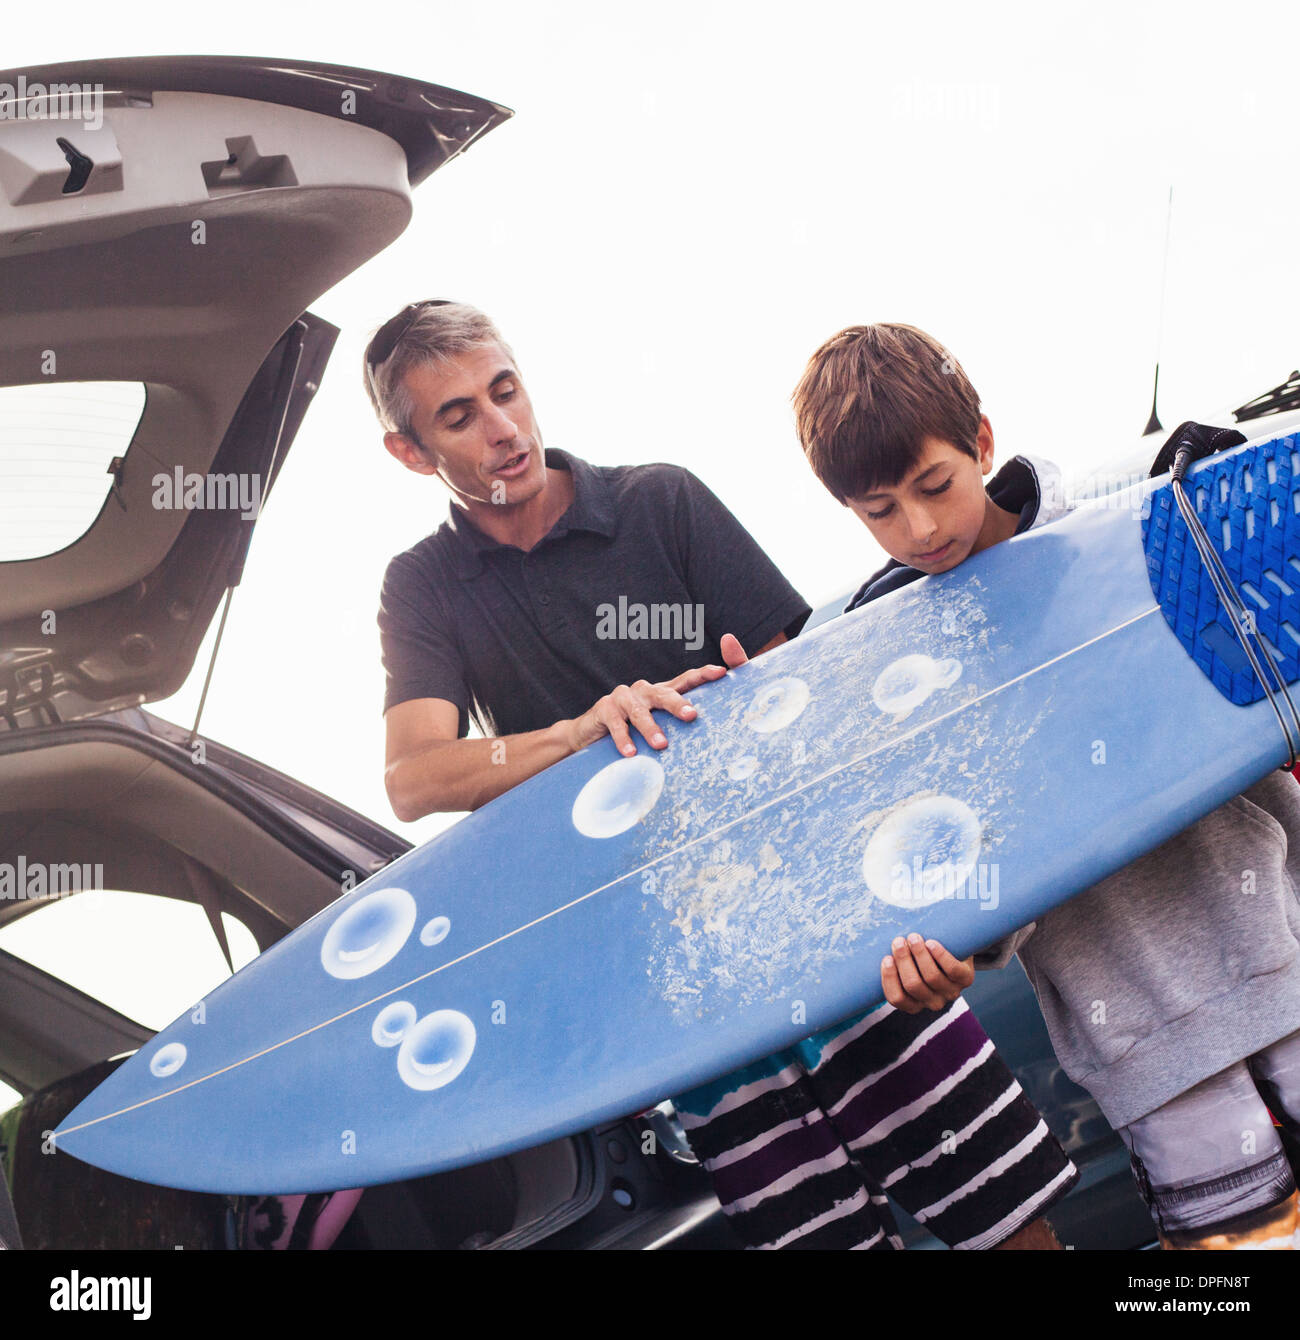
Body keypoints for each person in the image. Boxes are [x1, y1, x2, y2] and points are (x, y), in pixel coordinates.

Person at [366, 300, 1077, 1248]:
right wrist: (579, 734)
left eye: (505, 390)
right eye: (458, 416)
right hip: (692, 1005)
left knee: (1009, 1223)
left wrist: (762, 720)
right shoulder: (421, 587)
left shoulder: (662, 502)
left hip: (836, 935)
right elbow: (413, 776)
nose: (501, 428)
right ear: (410, 452)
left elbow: (817, 714)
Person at [794, 320, 1300, 1251]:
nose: (919, 529)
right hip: (1150, 1044)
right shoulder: (895, 675)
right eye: (881, 511)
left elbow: (1259, 697)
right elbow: (973, 871)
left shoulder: (1138, 526)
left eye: (934, 485)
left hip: (1288, 947)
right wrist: (953, 948)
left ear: (982, 442)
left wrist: (1214, 513)